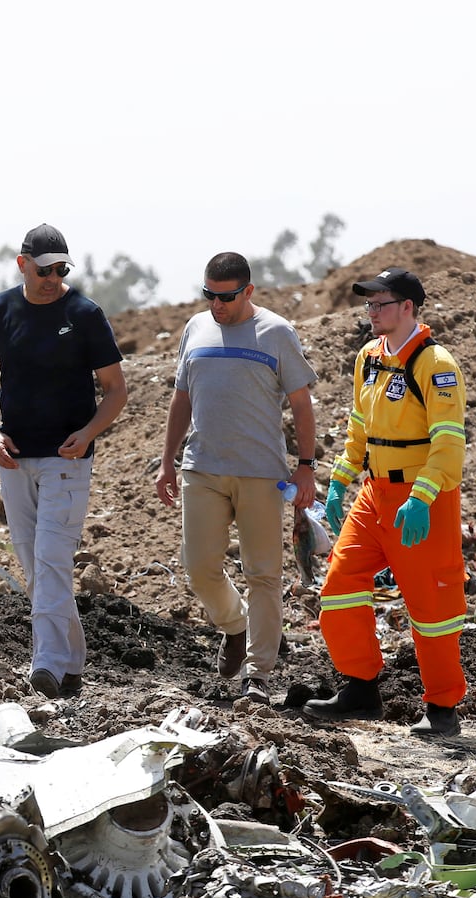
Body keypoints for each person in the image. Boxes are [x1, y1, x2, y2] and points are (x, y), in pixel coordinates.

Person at [302, 267, 469, 737]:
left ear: (408, 309)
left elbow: (449, 443)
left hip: (424, 499)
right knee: (339, 586)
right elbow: (360, 426)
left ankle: (442, 710)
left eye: (380, 304)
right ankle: (361, 689)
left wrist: (421, 496)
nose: (371, 312)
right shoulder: (369, 358)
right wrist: (340, 478)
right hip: (374, 495)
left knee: (433, 609)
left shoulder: (436, 364)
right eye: (369, 304)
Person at [0, 223, 127, 700]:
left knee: (52, 558)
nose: (53, 278)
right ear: (22, 265)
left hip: (66, 459)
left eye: (61, 269)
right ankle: (72, 661)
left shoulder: (84, 314)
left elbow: (116, 389)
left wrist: (89, 432)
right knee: (35, 566)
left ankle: (46, 664)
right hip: (13, 461)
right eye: (45, 269)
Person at [153, 252, 320, 705]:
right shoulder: (195, 329)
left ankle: (258, 674)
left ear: (248, 291)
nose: (216, 305)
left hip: (261, 474)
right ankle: (236, 624)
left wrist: (305, 466)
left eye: (226, 297)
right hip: (201, 468)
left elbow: (302, 405)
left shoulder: (277, 332)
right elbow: (182, 398)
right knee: (200, 568)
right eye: (209, 294)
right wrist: (167, 460)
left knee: (262, 574)